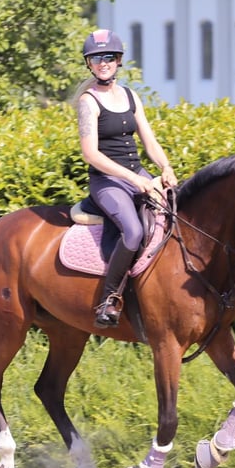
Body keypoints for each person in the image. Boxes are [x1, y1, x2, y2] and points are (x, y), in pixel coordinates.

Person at [75, 29, 178, 329]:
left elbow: (150, 142)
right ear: (89, 64)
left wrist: (166, 167)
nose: (103, 63)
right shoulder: (88, 102)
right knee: (132, 232)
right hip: (107, 182)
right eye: (96, 58)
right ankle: (110, 299)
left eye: (108, 57)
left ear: (119, 61)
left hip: (137, 175)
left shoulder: (131, 96)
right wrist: (135, 180)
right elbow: (90, 154)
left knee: (176, 210)